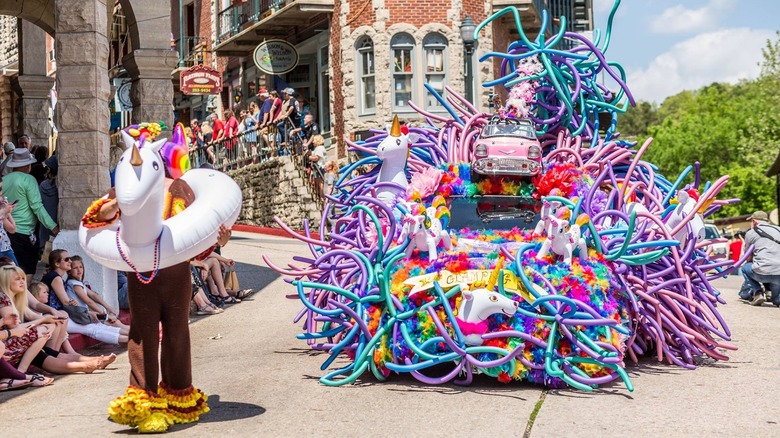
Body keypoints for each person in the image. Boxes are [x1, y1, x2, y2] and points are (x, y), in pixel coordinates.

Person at [2, 148, 59, 283]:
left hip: (6, 230)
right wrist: (53, 226)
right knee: (27, 271)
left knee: (10, 270)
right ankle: (23, 300)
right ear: (26, 165)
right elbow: (37, 207)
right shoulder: (29, 180)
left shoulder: (3, 180)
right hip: (24, 231)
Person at [738, 211, 780, 306]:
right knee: (777, 300)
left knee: (745, 267)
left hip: (762, 273)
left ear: (754, 221)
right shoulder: (779, 230)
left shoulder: (751, 233)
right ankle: (775, 297)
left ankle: (758, 293)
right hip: (779, 274)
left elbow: (748, 257)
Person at [38, 154, 58, 253]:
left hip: (47, 223)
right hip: (58, 223)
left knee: (47, 253)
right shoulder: (60, 187)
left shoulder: (43, 185)